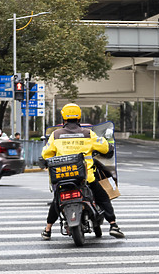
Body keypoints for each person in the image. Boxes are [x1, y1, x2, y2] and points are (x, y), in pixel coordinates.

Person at [41, 103, 125, 240]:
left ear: (64, 118)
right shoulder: (87, 134)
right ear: (79, 117)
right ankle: (113, 225)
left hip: (62, 178)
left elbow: (46, 154)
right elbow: (104, 147)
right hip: (86, 178)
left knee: (56, 202)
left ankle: (47, 230)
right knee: (103, 197)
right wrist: (109, 147)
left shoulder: (55, 135)